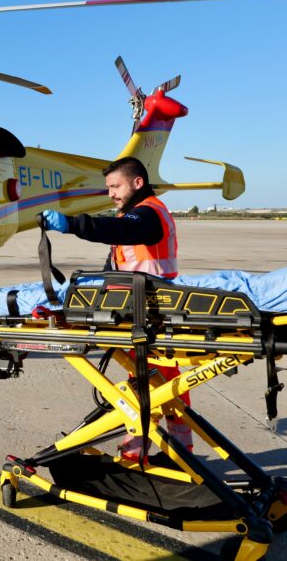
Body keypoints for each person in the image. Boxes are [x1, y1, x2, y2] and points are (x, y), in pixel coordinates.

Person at [40, 156, 192, 456]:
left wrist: (72, 223)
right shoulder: (134, 215)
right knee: (148, 380)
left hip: (153, 309)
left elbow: (121, 232)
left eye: (115, 186)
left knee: (163, 382)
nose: (110, 193)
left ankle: (173, 450)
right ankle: (156, 446)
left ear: (137, 183)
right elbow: (118, 261)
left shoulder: (148, 214)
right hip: (135, 306)